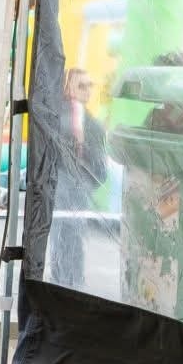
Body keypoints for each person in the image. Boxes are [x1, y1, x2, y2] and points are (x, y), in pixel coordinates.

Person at [50, 68, 107, 287]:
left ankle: (73, 283)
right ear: (68, 87)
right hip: (62, 186)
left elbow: (99, 161)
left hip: (81, 188)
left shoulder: (92, 123)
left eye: (89, 85)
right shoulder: (58, 115)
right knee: (62, 237)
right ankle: (61, 282)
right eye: (81, 85)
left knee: (75, 238)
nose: (87, 90)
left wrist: (89, 184)